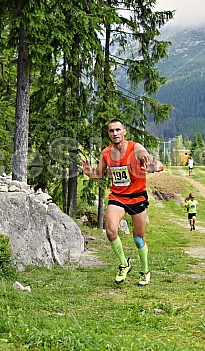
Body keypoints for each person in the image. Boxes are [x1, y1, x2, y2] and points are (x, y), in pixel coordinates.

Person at [82, 119, 163, 286]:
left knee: (138, 239)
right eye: (111, 131)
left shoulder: (135, 148)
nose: (115, 133)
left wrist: (152, 165)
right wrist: (89, 172)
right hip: (117, 198)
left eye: (118, 130)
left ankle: (145, 271)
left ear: (124, 131)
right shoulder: (106, 153)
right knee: (111, 231)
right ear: (108, 134)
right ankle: (124, 264)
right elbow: (98, 174)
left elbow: (153, 161)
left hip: (137, 197)